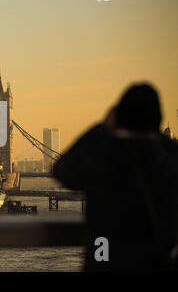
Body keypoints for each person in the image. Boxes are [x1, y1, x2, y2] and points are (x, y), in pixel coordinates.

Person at [52, 83, 178, 271]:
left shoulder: (104, 158)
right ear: (158, 120)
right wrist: (157, 134)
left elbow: (62, 169)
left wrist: (102, 127)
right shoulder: (168, 162)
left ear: (118, 118)